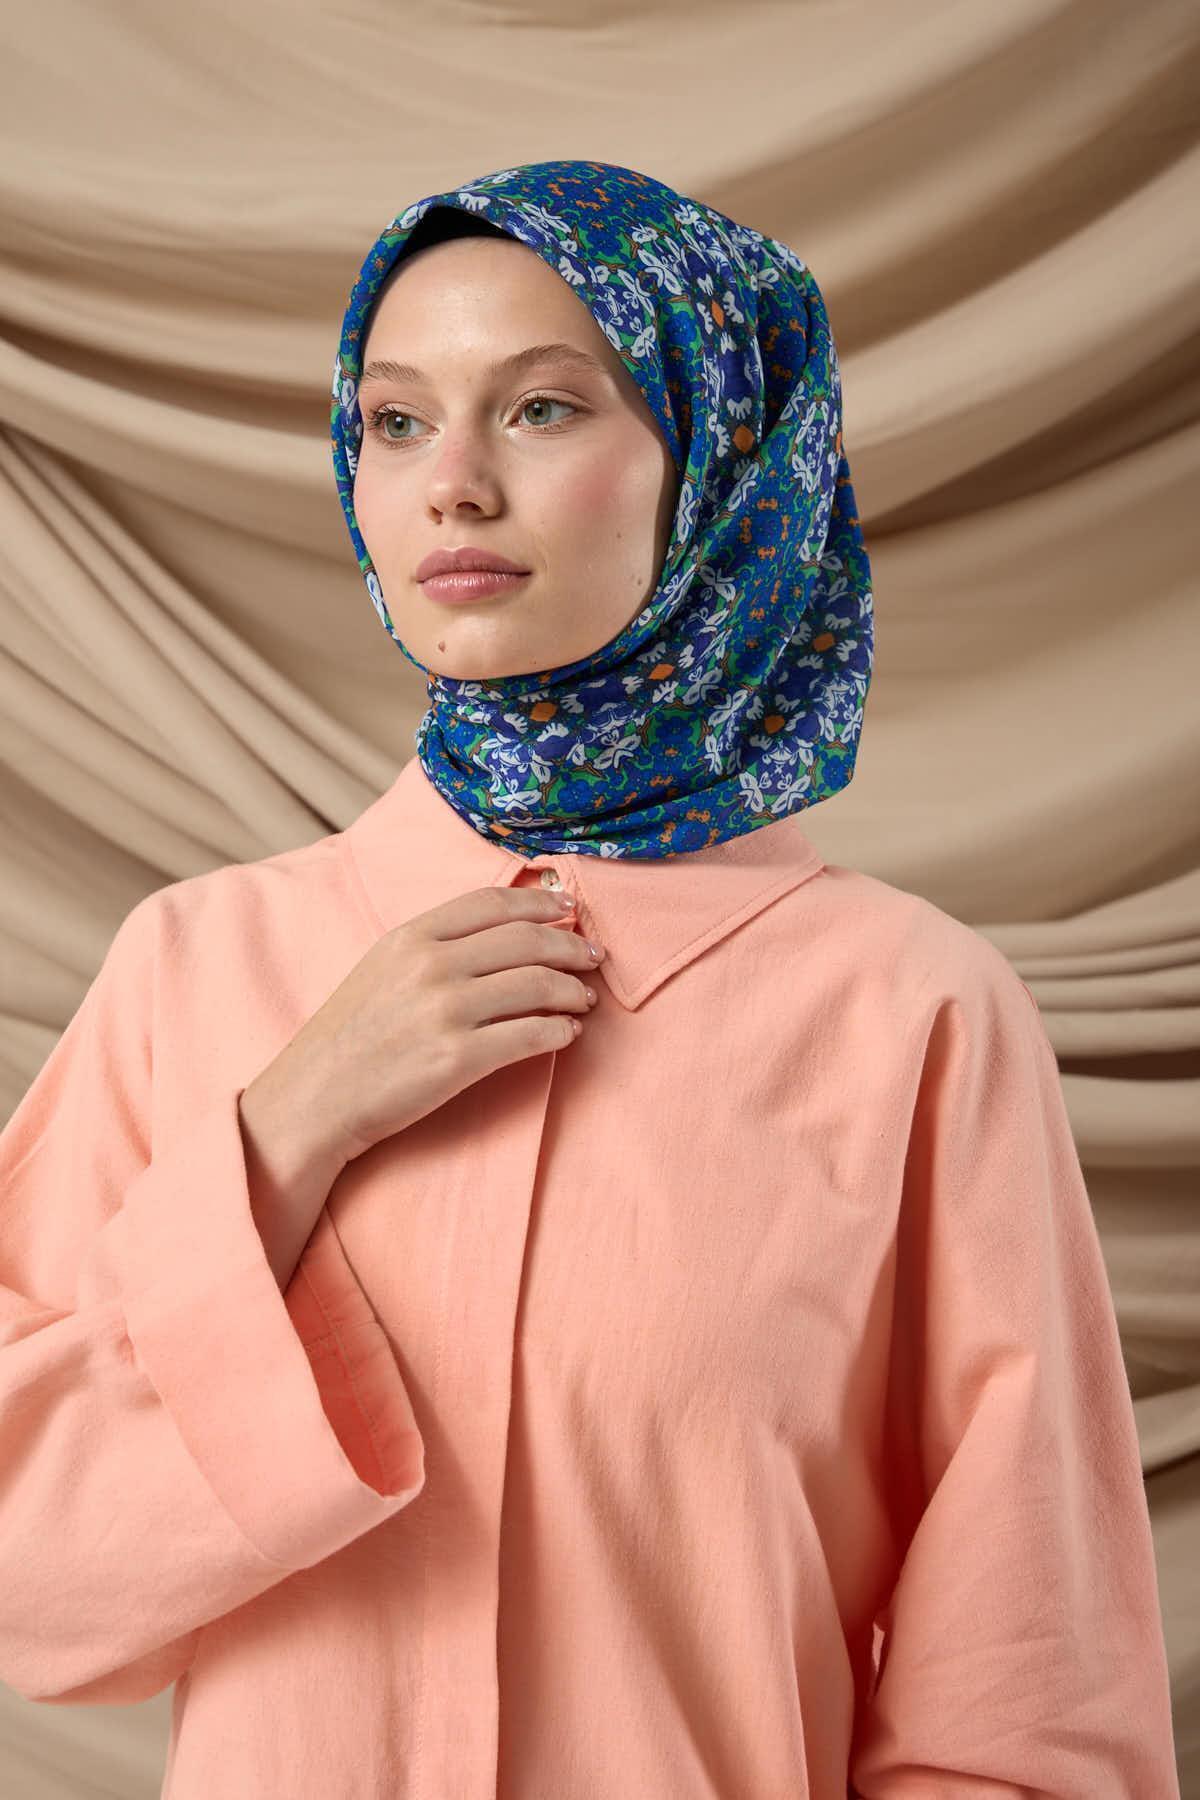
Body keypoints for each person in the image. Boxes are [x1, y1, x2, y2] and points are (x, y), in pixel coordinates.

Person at [0, 159, 1179, 1798]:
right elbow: (31, 1582)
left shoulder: (914, 1014)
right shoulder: (194, 968)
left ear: (720, 462)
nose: (452, 488)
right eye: (396, 421)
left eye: (542, 409)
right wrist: (281, 1137)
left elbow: (1024, 1707)